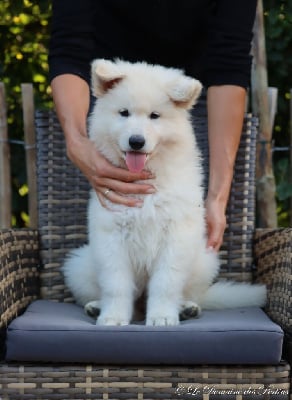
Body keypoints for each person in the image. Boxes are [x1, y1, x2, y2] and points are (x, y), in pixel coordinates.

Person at [49, 0, 257, 252]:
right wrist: (77, 142)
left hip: (183, 100)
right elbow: (69, 48)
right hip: (109, 90)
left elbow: (229, 62)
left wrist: (217, 196)